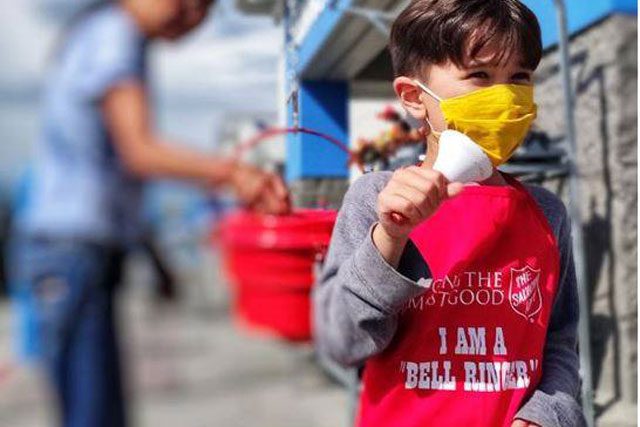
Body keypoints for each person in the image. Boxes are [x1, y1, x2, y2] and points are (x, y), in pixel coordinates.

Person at [9, 1, 289, 426]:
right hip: (70, 251)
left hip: (77, 250)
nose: (194, 18)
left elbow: (117, 172)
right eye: (192, 3)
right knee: (92, 413)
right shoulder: (114, 36)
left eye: (205, 11)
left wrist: (155, 258)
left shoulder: (108, 35)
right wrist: (235, 174)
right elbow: (139, 151)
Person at [313, 1, 586, 426]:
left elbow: (560, 343)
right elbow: (341, 342)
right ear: (414, 97)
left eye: (520, 78)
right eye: (480, 75)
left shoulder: (546, 213)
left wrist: (545, 415)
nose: (506, 98)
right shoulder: (374, 199)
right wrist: (388, 238)